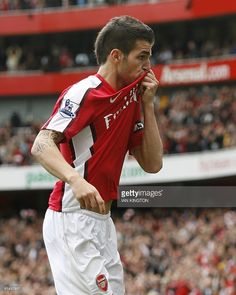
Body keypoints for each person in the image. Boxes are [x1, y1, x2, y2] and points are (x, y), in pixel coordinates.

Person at [31, 15, 163, 295]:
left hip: (103, 223)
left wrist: (148, 106)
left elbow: (152, 164)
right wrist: (75, 180)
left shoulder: (133, 96)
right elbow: (41, 144)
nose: (148, 66)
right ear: (116, 56)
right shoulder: (84, 92)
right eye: (142, 56)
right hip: (71, 216)